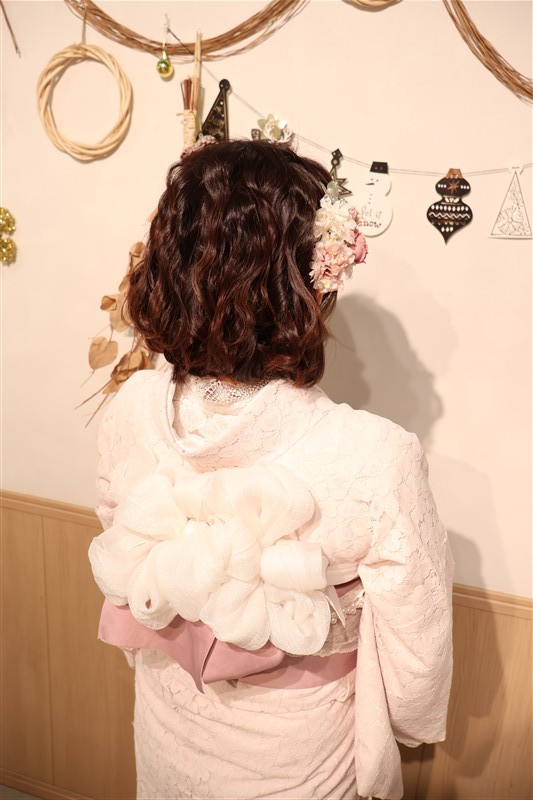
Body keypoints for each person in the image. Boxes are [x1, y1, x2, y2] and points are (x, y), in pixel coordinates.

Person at [89, 139, 453, 800]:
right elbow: (416, 653)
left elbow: (119, 536)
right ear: (309, 282)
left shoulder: (130, 409)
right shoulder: (372, 455)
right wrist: (408, 722)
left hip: (167, 716)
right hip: (300, 758)